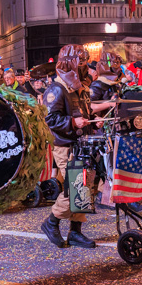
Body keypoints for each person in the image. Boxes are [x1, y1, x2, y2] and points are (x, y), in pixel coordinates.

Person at [40, 45, 98, 248]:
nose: (85, 66)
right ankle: (51, 222)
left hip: (81, 143)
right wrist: (73, 123)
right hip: (66, 145)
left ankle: (75, 232)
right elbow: (49, 118)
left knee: (85, 184)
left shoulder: (79, 85)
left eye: (85, 61)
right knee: (77, 187)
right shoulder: (57, 88)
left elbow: (85, 111)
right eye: (80, 61)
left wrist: (94, 119)